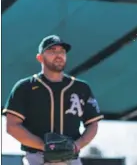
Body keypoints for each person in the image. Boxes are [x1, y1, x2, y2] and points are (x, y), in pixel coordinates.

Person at [3, 35, 104, 165]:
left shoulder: (81, 88)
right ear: (39, 57)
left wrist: (76, 146)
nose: (58, 55)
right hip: (37, 158)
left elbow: (93, 124)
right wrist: (44, 146)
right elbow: (12, 125)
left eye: (62, 51)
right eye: (52, 51)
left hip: (71, 158)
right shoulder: (24, 87)